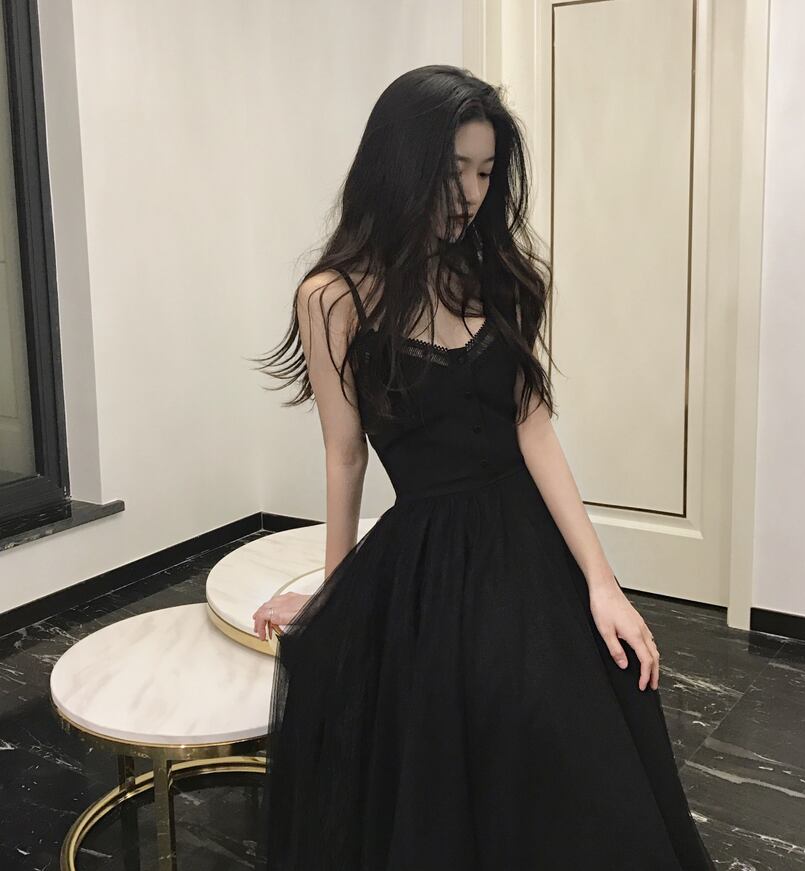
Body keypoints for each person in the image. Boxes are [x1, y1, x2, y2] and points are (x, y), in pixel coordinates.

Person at [249, 64, 715, 870]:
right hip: (428, 559)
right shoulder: (332, 298)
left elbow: (533, 430)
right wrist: (336, 594)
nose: (469, 195)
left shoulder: (496, 275)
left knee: (571, 747)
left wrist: (602, 581)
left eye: (484, 172)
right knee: (451, 768)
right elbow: (344, 451)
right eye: (451, 172)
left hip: (527, 547)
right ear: (400, 166)